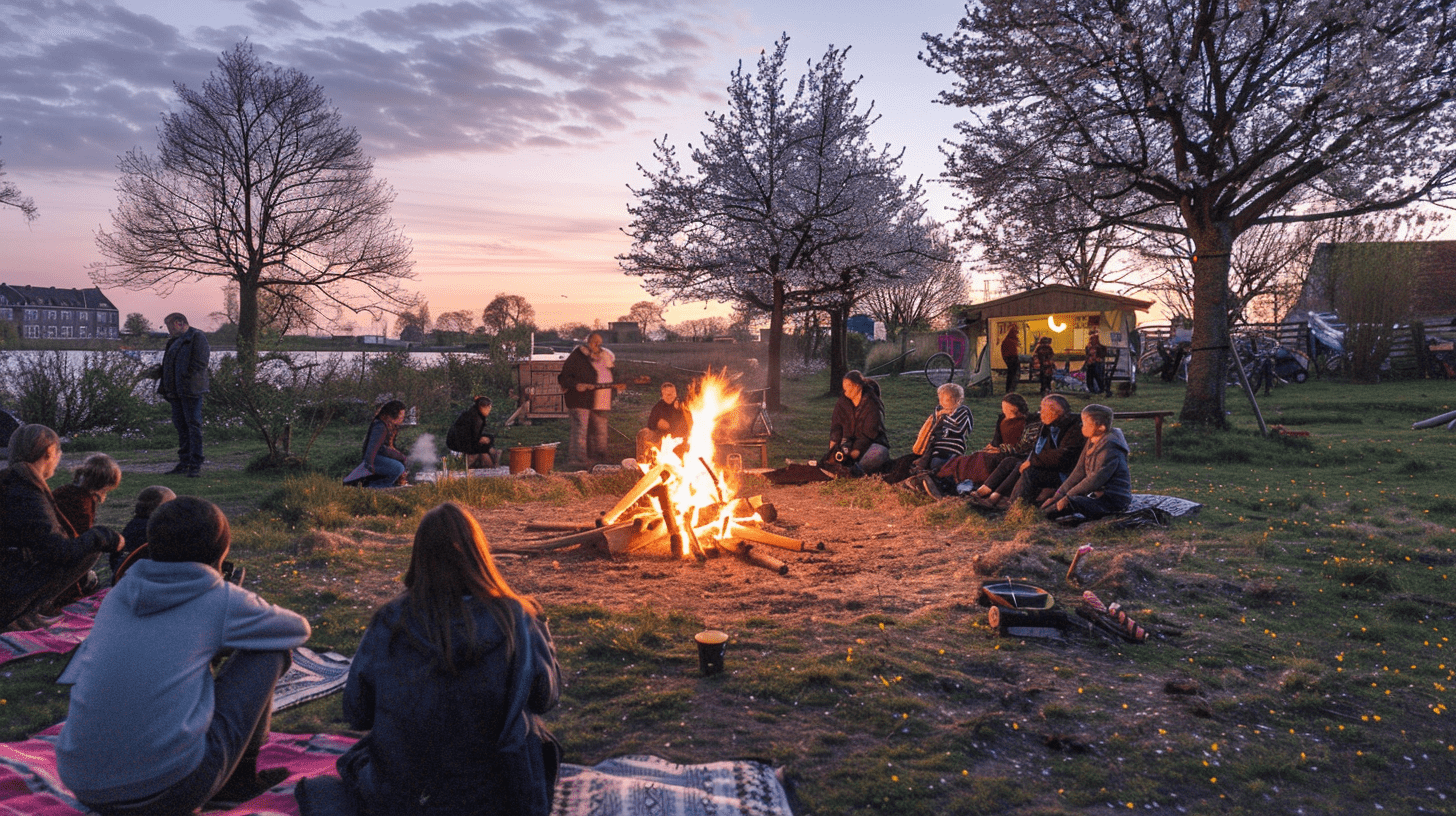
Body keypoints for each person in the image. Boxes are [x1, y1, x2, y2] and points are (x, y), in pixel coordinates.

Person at [56, 496, 309, 815]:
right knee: (270, 650)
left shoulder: (118, 593)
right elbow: (296, 629)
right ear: (223, 550)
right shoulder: (220, 600)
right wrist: (232, 602)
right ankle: (237, 781)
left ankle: (225, 774)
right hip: (170, 792)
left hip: (84, 785)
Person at [336, 502, 562, 816]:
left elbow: (357, 712)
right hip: (498, 800)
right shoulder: (515, 618)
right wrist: (542, 631)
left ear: (420, 557)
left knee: (357, 760)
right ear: (478, 554)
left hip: (405, 800)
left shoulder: (389, 620)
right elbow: (544, 697)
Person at [0, 424, 123, 632]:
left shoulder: (11, 480)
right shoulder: (26, 491)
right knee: (91, 548)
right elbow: (60, 552)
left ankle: (23, 614)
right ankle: (16, 614)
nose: (60, 457)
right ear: (48, 453)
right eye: (58, 451)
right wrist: (105, 536)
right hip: (7, 586)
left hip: (8, 573)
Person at [969, 394, 1085, 511]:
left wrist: (1032, 461)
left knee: (1029, 471)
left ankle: (1012, 505)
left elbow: (1062, 457)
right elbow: (1037, 448)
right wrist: (1030, 459)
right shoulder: (1049, 425)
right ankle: (986, 491)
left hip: (1062, 473)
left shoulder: (1073, 429)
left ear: (1056, 413)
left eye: (1044, 410)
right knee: (1010, 461)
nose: (1041, 413)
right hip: (1047, 465)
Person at [51, 453, 124, 607]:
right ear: (105, 485)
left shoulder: (65, 490)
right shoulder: (83, 502)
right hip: (61, 560)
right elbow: (82, 542)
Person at [1042, 404, 1132, 523]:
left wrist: (1067, 497)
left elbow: (1095, 480)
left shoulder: (1110, 447)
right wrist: (1058, 495)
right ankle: (1041, 514)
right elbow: (1079, 471)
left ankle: (1042, 516)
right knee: (1055, 503)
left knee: (1070, 503)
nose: (1082, 427)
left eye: (1085, 424)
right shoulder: (1092, 440)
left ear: (1101, 428)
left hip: (1113, 500)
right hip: (1096, 496)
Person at [937, 393, 1038, 489]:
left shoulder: (1030, 423)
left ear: (1015, 408)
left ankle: (951, 477)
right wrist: (989, 448)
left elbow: (1024, 446)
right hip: (997, 452)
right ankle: (942, 474)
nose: (1004, 410)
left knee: (981, 460)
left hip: (1010, 455)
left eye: (1007, 408)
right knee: (971, 457)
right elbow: (996, 441)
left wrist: (1000, 449)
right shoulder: (1002, 419)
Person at [157, 313, 210, 477]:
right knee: (181, 427)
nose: (169, 331)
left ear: (179, 323)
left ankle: (195, 464)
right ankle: (184, 462)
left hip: (191, 390)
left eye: (170, 326)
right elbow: (168, 364)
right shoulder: (173, 341)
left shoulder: (197, 337)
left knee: (193, 426)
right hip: (175, 392)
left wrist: (186, 376)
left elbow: (201, 362)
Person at [557, 332, 616, 469]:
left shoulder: (603, 356)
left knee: (598, 431)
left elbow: (612, 373)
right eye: (595, 342)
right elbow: (564, 377)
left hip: (598, 401)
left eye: (600, 343)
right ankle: (578, 461)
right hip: (579, 400)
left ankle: (598, 459)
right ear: (589, 342)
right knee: (581, 431)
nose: (598, 346)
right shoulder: (577, 357)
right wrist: (577, 385)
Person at [826, 370, 890, 476]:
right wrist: (833, 449)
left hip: (872, 443)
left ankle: (855, 471)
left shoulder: (872, 404)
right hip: (848, 442)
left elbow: (869, 435)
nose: (845, 389)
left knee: (877, 454)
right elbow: (836, 427)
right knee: (836, 456)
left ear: (858, 386)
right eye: (844, 385)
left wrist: (855, 452)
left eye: (849, 385)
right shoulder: (842, 403)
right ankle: (843, 468)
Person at [114, 485, 176, 585]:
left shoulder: (133, 525)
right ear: (157, 509)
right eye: (172, 505)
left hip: (121, 579)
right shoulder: (156, 533)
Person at [912, 382, 973, 475]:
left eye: (945, 399)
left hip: (953, 445)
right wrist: (940, 416)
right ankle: (923, 468)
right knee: (933, 459)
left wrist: (947, 418)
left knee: (946, 463)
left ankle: (942, 472)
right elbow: (934, 426)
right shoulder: (939, 411)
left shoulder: (962, 412)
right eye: (940, 399)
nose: (940, 402)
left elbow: (960, 429)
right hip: (938, 445)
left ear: (957, 400)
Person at [53, 453, 124, 533]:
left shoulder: (63, 490)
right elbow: (83, 538)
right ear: (101, 486)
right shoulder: (83, 503)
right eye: (106, 491)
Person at [345, 401, 408, 488]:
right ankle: (376, 487)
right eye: (401, 416)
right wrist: (369, 466)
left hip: (380, 457)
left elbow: (391, 446)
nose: (402, 419)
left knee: (400, 466)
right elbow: (374, 448)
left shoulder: (391, 426)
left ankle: (386, 484)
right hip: (374, 458)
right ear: (392, 415)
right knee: (398, 468)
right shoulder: (380, 426)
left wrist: (401, 458)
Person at [636, 381, 693, 461]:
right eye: (667, 394)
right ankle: (642, 462)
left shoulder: (683, 405)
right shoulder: (659, 406)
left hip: (681, 437)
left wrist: (679, 409)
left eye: (672, 393)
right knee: (643, 433)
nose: (670, 396)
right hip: (662, 436)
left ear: (676, 393)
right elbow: (650, 423)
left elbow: (690, 422)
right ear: (662, 396)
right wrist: (658, 424)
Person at [446, 396, 500, 468]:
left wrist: (488, 439)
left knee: (489, 449)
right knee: (485, 453)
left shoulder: (475, 414)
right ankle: (491, 470)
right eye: (488, 408)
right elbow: (470, 438)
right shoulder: (475, 418)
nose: (489, 410)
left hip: (465, 442)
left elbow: (475, 435)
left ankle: (493, 467)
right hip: (459, 445)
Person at [1084, 330, 1110, 397]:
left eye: (1094, 339)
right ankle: (1092, 388)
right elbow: (1087, 357)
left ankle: (1098, 388)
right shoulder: (1088, 347)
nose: (1092, 340)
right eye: (1091, 339)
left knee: (1095, 367)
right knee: (1091, 367)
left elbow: (1102, 356)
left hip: (1099, 364)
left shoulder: (1101, 347)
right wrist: (1090, 359)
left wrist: (1096, 358)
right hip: (1092, 364)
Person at [1000, 327, 1021, 393]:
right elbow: (1014, 350)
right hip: (1012, 358)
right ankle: (1011, 388)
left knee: (1010, 374)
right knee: (1013, 374)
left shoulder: (1007, 340)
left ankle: (1009, 388)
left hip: (1008, 358)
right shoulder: (1011, 340)